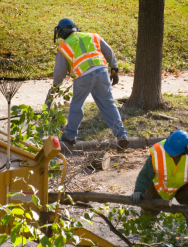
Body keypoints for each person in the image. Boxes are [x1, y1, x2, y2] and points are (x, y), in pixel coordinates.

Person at [47, 18, 128, 151]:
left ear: (61, 33)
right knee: (108, 104)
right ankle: (121, 136)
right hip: (102, 72)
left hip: (83, 77)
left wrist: (56, 86)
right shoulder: (92, 36)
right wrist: (114, 68)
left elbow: (59, 72)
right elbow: (109, 52)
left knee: (76, 105)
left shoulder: (64, 47)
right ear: (74, 27)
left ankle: (70, 135)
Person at [130, 130, 188, 247]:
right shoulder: (159, 150)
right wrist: (138, 191)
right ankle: (144, 237)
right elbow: (145, 175)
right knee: (149, 211)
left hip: (184, 185)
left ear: (186, 150)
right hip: (159, 185)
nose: (170, 153)